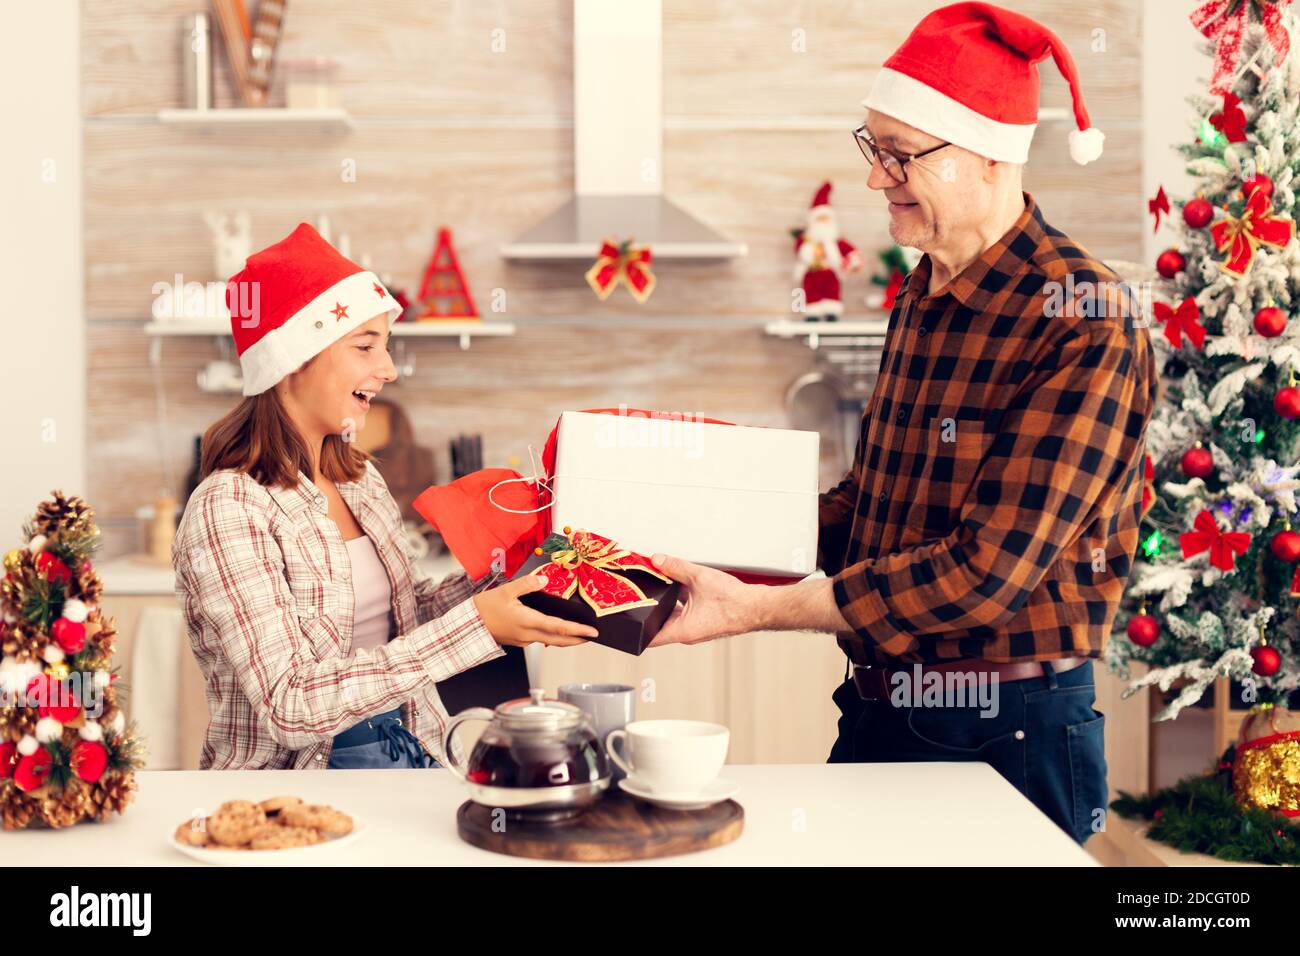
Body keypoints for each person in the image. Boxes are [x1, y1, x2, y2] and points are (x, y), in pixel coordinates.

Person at [648, 2, 1156, 846]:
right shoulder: (924, 291)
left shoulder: (1084, 318)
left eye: (900, 155)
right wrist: (703, 531)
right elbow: (874, 509)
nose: (877, 178)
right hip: (884, 708)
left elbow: (987, 571)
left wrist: (761, 610)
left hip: (1009, 729)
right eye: (872, 147)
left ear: (988, 154)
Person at [173, 223, 595, 771]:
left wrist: (509, 576)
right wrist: (479, 626)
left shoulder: (359, 481)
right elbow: (290, 704)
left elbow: (404, 616)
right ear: (294, 360)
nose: (388, 369)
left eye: (386, 347)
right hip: (290, 799)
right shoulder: (228, 507)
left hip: (407, 761)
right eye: (365, 345)